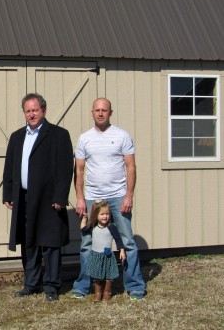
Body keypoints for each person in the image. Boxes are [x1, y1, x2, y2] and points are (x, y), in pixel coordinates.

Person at [71, 98, 146, 301]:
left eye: (104, 110)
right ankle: (84, 285)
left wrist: (129, 195)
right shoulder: (84, 138)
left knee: (127, 241)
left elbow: (131, 167)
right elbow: (78, 170)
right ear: (92, 112)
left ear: (110, 112)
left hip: (118, 195)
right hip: (92, 198)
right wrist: (79, 198)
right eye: (97, 110)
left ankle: (135, 285)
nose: (101, 113)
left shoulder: (121, 135)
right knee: (87, 243)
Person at [2, 93, 73, 302]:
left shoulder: (59, 135)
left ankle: (51, 286)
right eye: (28, 111)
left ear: (44, 111)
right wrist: (8, 193)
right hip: (24, 197)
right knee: (28, 241)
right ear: (24, 113)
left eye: (35, 110)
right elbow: (9, 167)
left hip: (49, 198)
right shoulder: (17, 137)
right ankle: (31, 284)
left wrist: (61, 196)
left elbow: (65, 168)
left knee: (50, 243)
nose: (31, 114)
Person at [80, 200, 126, 302]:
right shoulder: (93, 226)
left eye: (107, 214)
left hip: (107, 256)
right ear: (96, 215)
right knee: (97, 275)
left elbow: (118, 239)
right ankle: (98, 293)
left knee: (108, 275)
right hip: (96, 256)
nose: (105, 216)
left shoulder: (111, 227)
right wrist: (84, 218)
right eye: (102, 214)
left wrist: (122, 251)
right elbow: (83, 229)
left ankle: (107, 292)